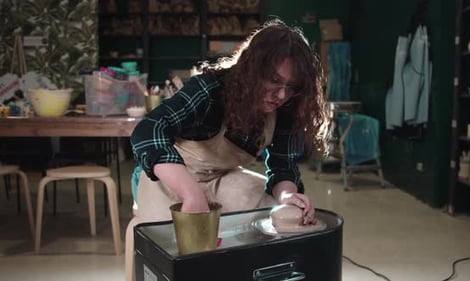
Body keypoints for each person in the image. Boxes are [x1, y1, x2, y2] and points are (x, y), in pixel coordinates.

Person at [125, 18, 329, 281]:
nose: (280, 95)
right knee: (175, 249)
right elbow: (148, 130)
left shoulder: (285, 108)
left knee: (287, 217)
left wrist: (288, 195)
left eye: (290, 88)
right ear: (252, 69)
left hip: (220, 178)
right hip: (171, 178)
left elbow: (282, 165)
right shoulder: (210, 89)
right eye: (274, 81)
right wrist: (190, 193)